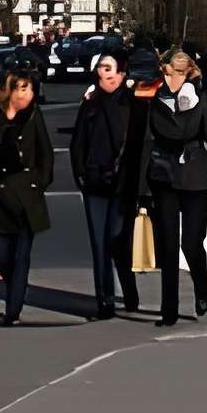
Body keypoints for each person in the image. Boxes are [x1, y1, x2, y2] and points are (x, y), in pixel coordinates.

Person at [143, 49, 207, 326]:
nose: (169, 80)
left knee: (191, 243)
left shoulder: (205, 103)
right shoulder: (154, 100)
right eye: (166, 74)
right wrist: (140, 186)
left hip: (196, 177)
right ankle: (168, 310)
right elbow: (145, 143)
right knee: (167, 244)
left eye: (175, 74)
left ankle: (201, 286)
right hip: (163, 175)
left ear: (186, 74)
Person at [0, 69, 54, 323]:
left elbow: (45, 152)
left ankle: (12, 310)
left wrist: (41, 181)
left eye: (30, 89)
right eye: (22, 88)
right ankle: (17, 284)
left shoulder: (34, 116)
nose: (28, 94)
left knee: (21, 254)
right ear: (9, 91)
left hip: (27, 195)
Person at [68, 51, 149, 319]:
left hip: (122, 184)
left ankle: (129, 289)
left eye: (110, 68)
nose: (106, 73)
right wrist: (80, 173)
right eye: (102, 68)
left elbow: (139, 146)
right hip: (94, 182)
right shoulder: (89, 104)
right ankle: (105, 301)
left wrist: (138, 185)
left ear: (122, 73)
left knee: (118, 241)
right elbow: (77, 142)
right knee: (98, 244)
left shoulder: (133, 104)